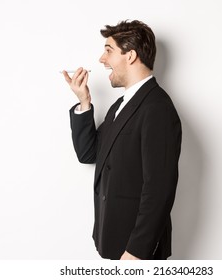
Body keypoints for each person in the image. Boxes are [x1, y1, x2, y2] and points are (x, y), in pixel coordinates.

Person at [62, 20, 182, 260]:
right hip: (114, 240)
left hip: (137, 251)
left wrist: (136, 252)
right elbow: (89, 153)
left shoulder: (157, 107)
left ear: (130, 56)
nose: (101, 59)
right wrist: (84, 101)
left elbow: (159, 190)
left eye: (108, 50)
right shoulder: (121, 105)